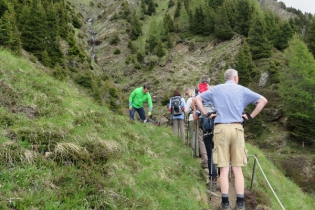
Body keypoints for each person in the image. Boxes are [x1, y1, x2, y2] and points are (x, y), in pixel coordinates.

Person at [194, 69, 267, 210]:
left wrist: (206, 114)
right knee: (237, 168)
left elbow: (198, 99)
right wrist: (250, 116)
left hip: (220, 129)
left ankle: (225, 203)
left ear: (225, 78)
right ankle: (240, 204)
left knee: (224, 168)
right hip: (237, 128)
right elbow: (262, 101)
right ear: (236, 78)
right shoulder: (242, 90)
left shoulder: (216, 90)